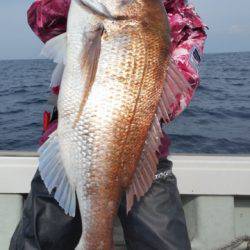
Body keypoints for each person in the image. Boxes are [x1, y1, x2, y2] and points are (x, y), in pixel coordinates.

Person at [10, 0, 207, 249]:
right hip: (70, 144)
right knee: (37, 241)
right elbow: (40, 19)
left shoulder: (185, 20)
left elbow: (176, 94)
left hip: (141, 146)